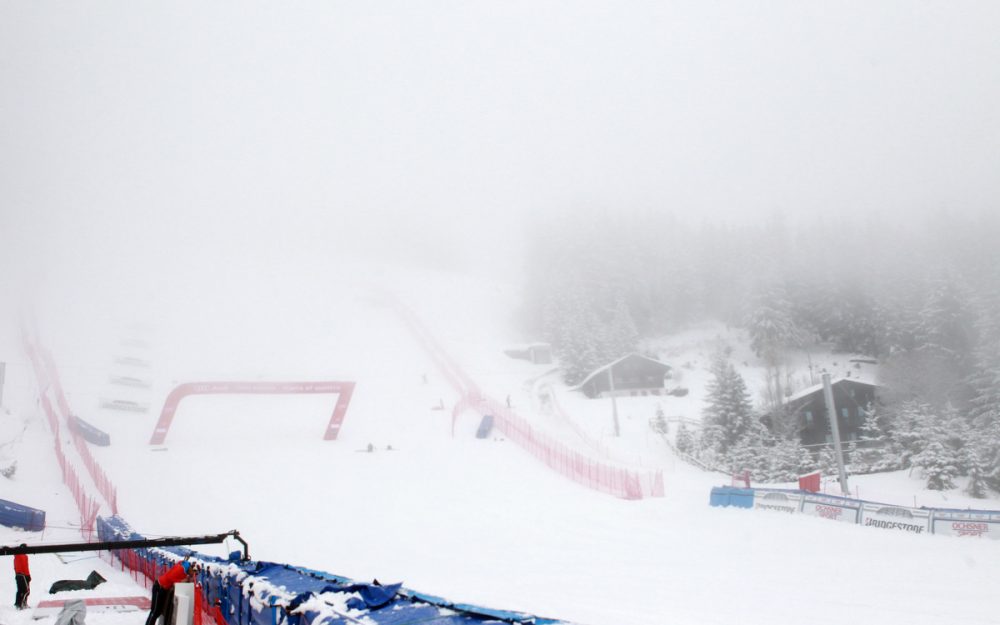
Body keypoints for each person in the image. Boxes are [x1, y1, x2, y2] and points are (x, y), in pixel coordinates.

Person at [144, 559, 195, 625]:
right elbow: (170, 578)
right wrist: (182, 581)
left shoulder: (184, 570)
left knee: (158, 611)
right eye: (192, 572)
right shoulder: (180, 569)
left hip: (163, 589)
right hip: (159, 587)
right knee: (155, 611)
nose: (192, 575)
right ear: (190, 568)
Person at [14, 545, 30, 609]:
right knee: (26, 590)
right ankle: (21, 604)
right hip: (23, 575)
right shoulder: (22, 556)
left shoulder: (17, 556)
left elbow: (24, 566)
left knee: (20, 590)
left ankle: (19, 603)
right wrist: (27, 575)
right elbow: (25, 567)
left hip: (19, 575)